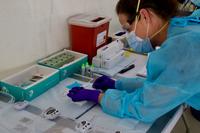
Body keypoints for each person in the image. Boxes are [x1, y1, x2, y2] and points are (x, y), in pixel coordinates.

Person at [67, 0, 200, 123]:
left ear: (145, 16)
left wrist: (99, 97)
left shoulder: (184, 48)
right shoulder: (182, 27)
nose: (129, 36)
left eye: (128, 29)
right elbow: (160, 84)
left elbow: (145, 107)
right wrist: (119, 84)